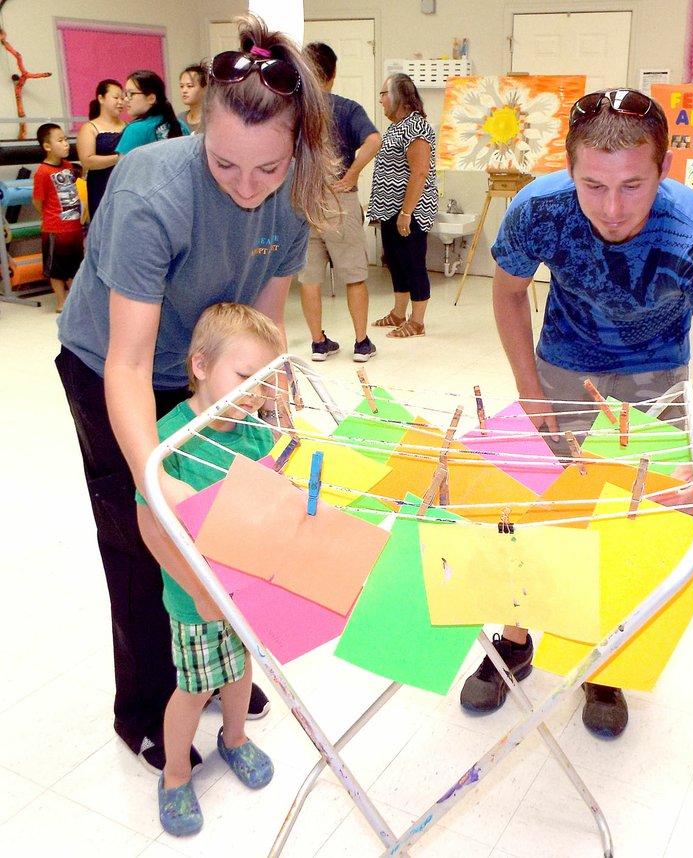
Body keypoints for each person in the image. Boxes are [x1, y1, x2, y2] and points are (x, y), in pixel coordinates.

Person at [55, 14, 335, 774]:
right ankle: (145, 708)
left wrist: (274, 399)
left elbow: (268, 323)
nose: (249, 188)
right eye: (225, 166)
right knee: (145, 533)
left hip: (213, 361)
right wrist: (157, 478)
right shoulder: (153, 193)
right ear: (198, 131)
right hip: (112, 360)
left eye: (268, 169)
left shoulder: (297, 194)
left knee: (229, 510)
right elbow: (128, 361)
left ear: (298, 148)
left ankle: (216, 669)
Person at [460, 88, 693, 738]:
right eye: (593, 186)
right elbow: (509, 295)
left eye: (634, 185)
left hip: (652, 381)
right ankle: (514, 637)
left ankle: (607, 655)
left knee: (625, 529)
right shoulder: (537, 209)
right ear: (568, 171)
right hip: (561, 365)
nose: (614, 208)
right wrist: (529, 387)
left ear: (664, 167)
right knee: (533, 514)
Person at [137, 303, 281, 836]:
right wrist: (198, 588)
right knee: (195, 689)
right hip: (194, 597)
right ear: (199, 365)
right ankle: (176, 773)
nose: (255, 394)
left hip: (242, 591)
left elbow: (267, 507)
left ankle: (235, 738)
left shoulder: (256, 434)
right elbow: (150, 525)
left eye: (264, 382)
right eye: (244, 377)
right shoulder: (168, 440)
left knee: (242, 672)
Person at [298, 42, 381, 362]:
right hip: (339, 200)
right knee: (354, 275)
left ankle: (318, 342)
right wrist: (352, 173)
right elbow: (374, 139)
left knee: (309, 277)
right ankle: (361, 343)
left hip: (304, 202)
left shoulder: (295, 111)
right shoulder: (347, 108)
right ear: (333, 73)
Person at [366, 73, 437, 338]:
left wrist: (406, 212)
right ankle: (398, 313)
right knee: (396, 262)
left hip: (410, 212)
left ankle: (417, 322)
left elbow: (419, 173)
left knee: (413, 263)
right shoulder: (396, 127)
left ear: (398, 97)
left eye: (384, 94)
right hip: (390, 211)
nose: (381, 101)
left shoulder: (416, 127)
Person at [32, 123, 84, 312]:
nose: (66, 144)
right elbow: (38, 201)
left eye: (66, 140)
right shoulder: (42, 173)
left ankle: (75, 297)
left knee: (75, 264)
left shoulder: (69, 166)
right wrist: (47, 217)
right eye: (60, 140)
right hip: (55, 228)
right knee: (56, 267)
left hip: (74, 226)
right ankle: (61, 301)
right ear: (47, 146)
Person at [76, 79, 126, 220]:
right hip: (100, 188)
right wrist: (119, 158)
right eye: (116, 97)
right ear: (101, 98)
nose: (120, 102)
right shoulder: (90, 128)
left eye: (123, 98)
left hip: (125, 186)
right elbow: (87, 161)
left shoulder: (128, 127)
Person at [116, 69, 188, 154]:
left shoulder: (135, 129)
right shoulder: (180, 125)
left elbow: (124, 166)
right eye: (125, 94)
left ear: (151, 98)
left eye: (131, 94)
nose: (126, 99)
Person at [178, 64, 207, 134]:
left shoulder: (213, 120)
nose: (184, 90)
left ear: (205, 88)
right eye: (181, 86)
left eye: (189, 86)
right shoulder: (179, 119)